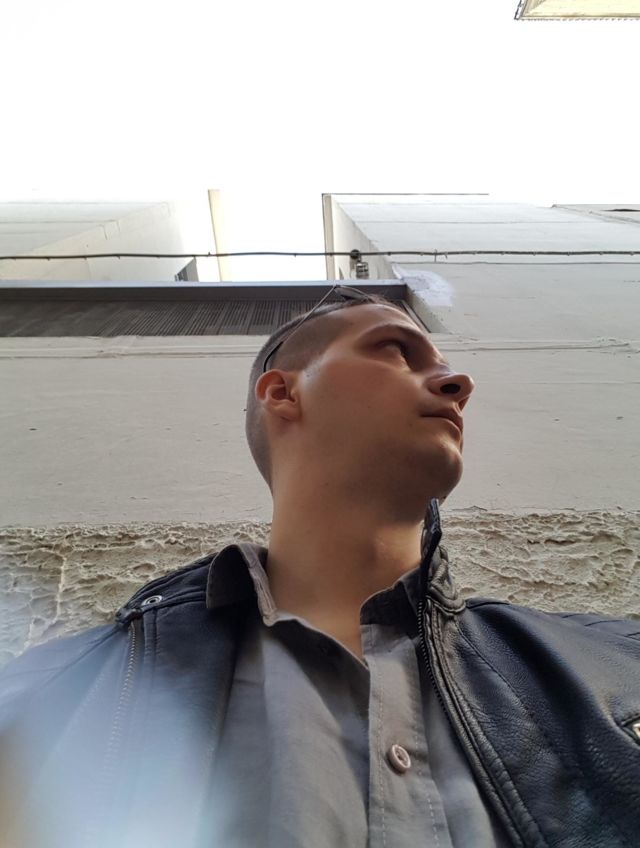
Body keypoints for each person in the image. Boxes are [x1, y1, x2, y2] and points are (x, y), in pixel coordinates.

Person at [1, 284, 639, 848]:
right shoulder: (46, 696)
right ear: (283, 392)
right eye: (397, 350)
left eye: (443, 363)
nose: (457, 383)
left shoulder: (615, 668)